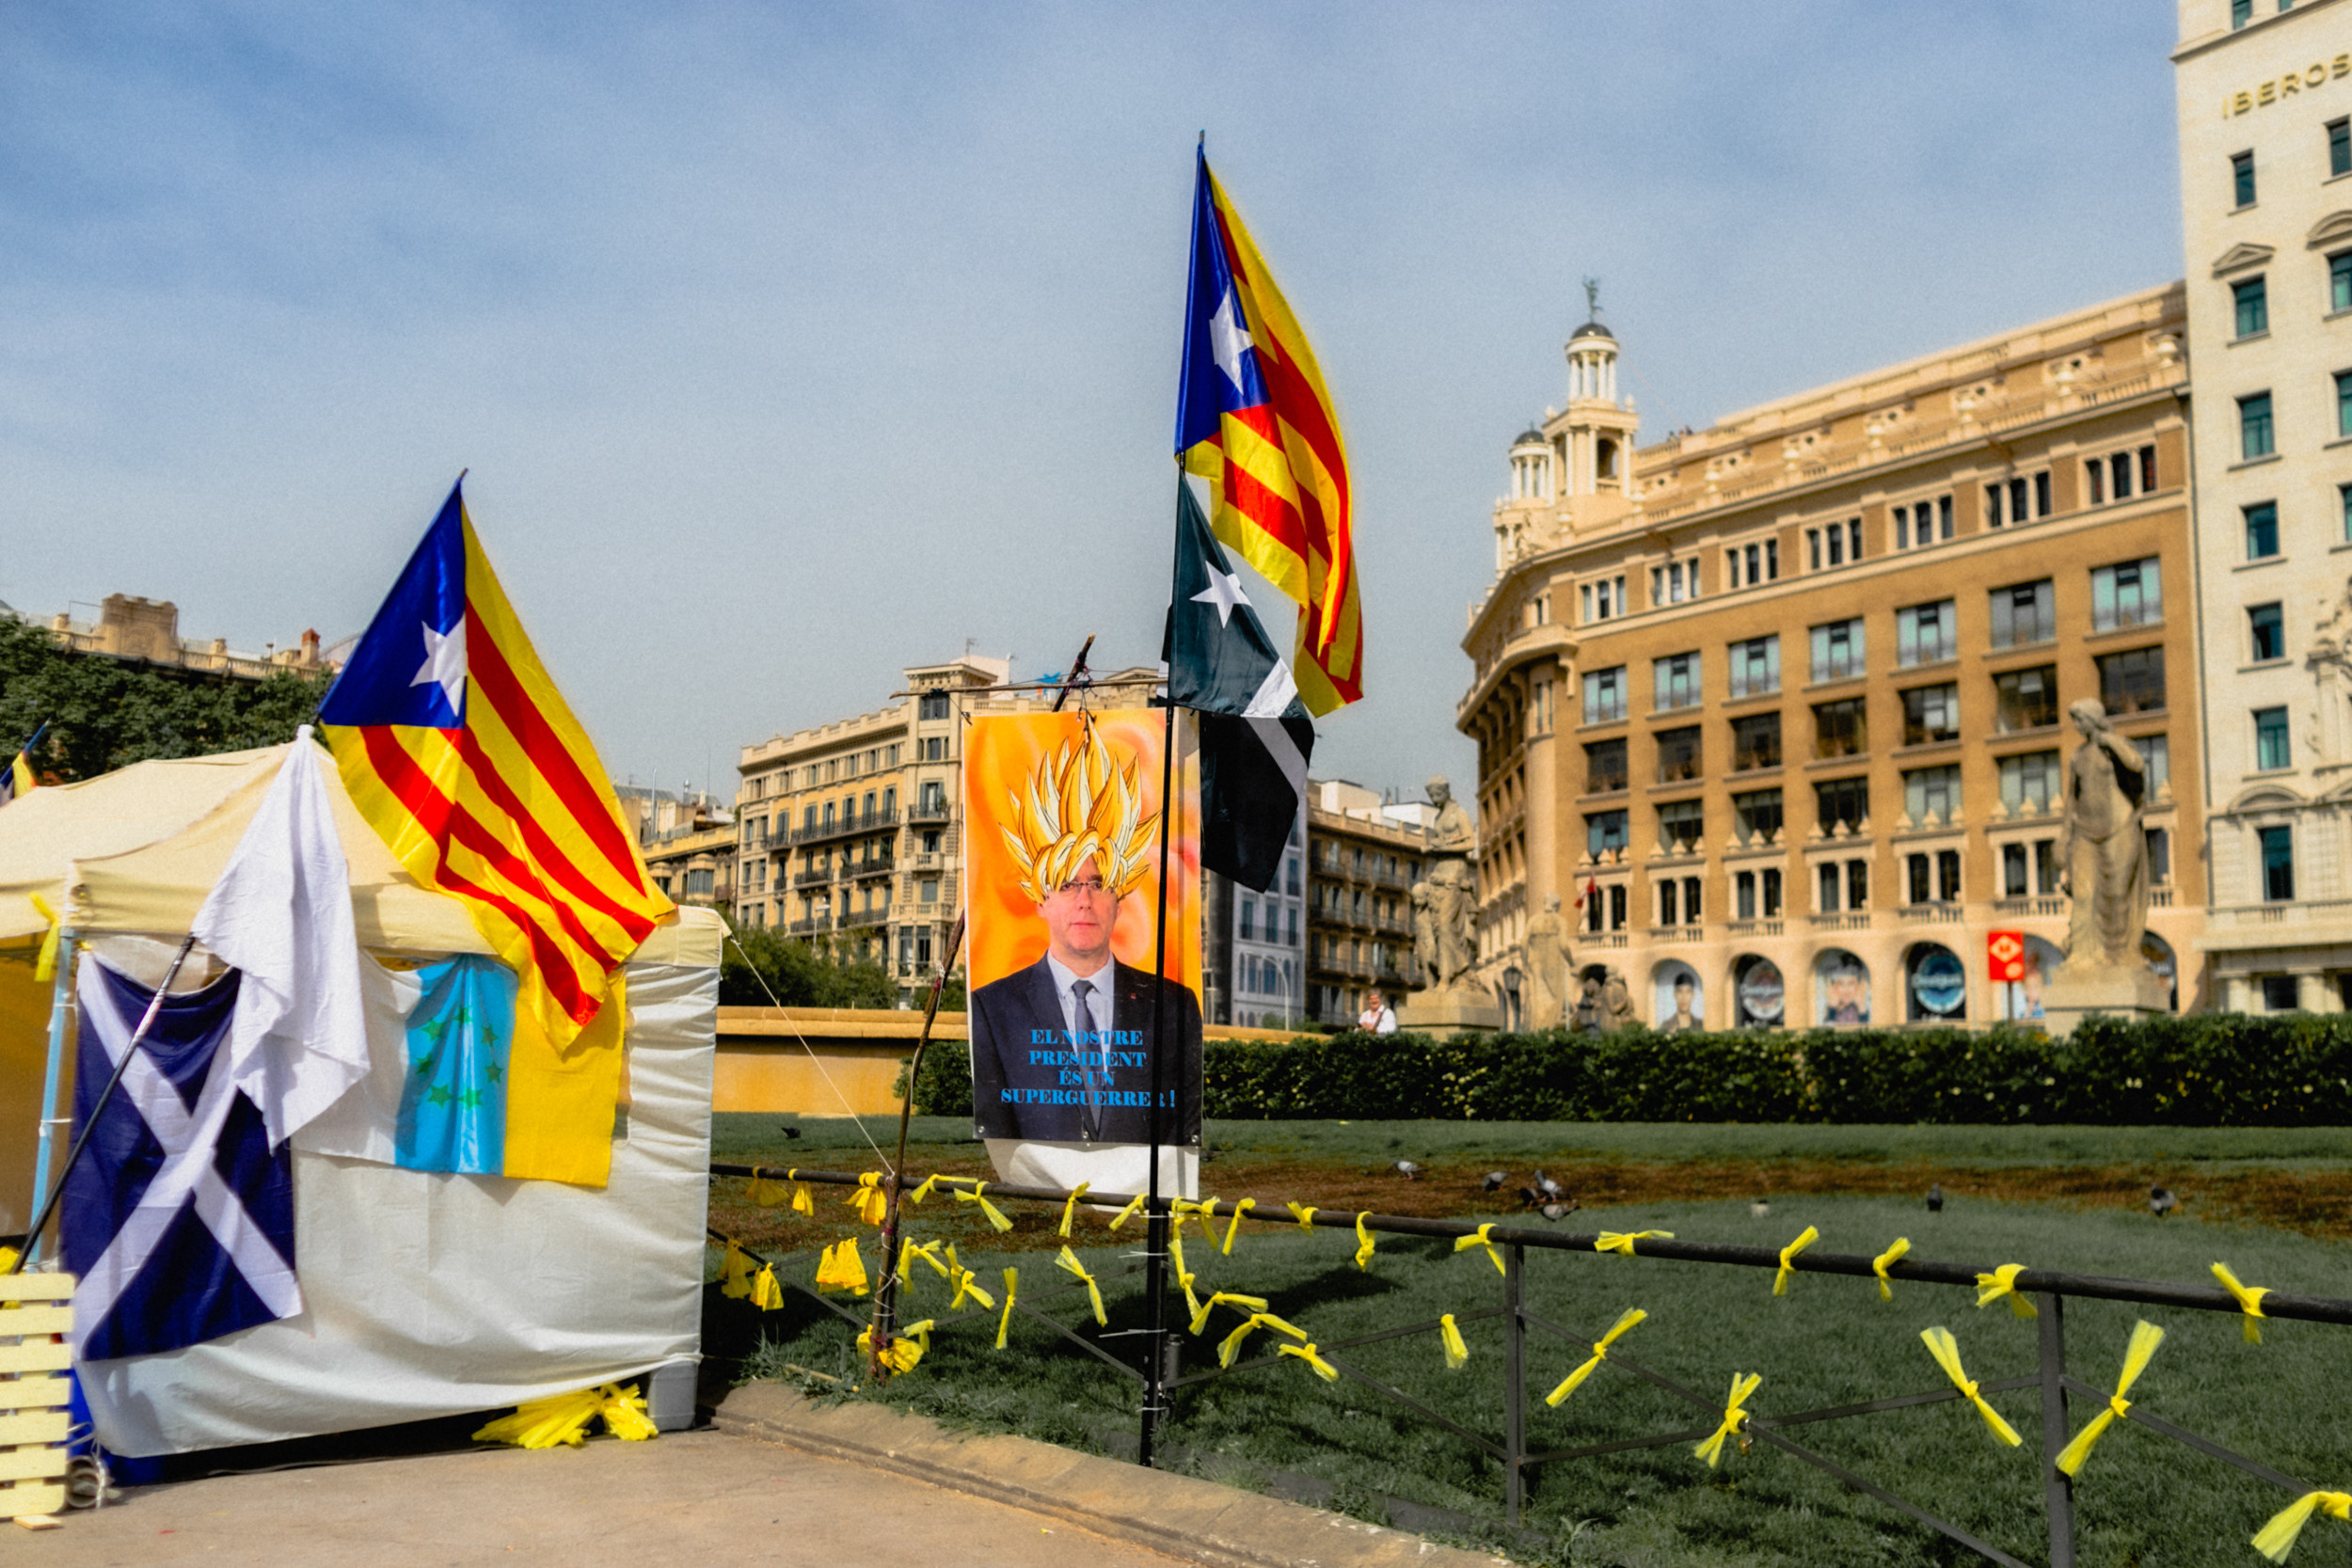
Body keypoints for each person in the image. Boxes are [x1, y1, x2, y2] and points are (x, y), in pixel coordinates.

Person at [968, 730, 1203, 1145]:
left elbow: (1185, 1124)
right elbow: (995, 1124)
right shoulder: (992, 1007)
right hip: (1038, 1201)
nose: (1084, 901)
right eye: (1066, 886)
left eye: (1098, 884)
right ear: (1039, 900)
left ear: (1120, 898)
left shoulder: (1174, 1007)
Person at [2059, 699, 2151, 972]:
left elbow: (2136, 765)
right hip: (2085, 833)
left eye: (2080, 719)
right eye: (2074, 719)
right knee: (2083, 894)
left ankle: (2119, 955)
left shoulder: (2115, 747)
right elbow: (2071, 800)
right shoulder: (2078, 756)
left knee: (2116, 894)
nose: (2076, 725)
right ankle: (2082, 955)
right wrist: (2063, 837)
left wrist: (2110, 740)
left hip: (2119, 827)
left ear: (2093, 718)